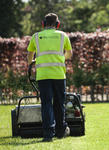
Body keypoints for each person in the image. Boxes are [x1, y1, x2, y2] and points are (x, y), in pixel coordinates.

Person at [27, 13, 73, 142]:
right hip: (59, 74)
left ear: (43, 24)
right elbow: (69, 54)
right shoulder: (63, 36)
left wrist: (33, 62)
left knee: (46, 104)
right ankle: (60, 131)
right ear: (58, 24)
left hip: (43, 76)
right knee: (59, 103)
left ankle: (48, 134)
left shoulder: (36, 37)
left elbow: (29, 56)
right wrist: (61, 58)